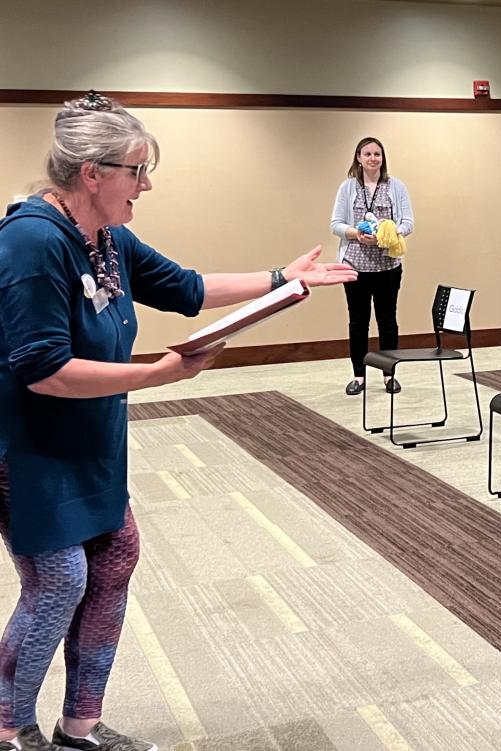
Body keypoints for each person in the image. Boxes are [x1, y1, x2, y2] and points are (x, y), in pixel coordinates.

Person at [0, 92, 356, 751]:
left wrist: (282, 278)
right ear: (93, 174)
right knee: (60, 579)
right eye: (138, 171)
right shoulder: (30, 241)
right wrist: (160, 374)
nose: (147, 184)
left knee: (114, 558)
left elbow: (187, 287)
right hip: (29, 444)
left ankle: (79, 726)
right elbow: (43, 368)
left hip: (90, 439)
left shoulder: (108, 240)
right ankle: (5, 726)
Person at [330, 137, 414, 396]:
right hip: (355, 266)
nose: (373, 158)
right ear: (358, 157)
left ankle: (390, 374)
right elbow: (336, 224)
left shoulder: (396, 186)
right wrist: (356, 233)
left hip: (387, 266)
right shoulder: (347, 188)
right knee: (358, 322)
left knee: (388, 321)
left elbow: (408, 222)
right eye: (367, 154)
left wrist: (389, 233)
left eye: (377, 154)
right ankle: (359, 375)